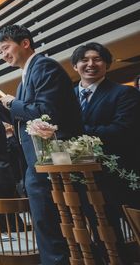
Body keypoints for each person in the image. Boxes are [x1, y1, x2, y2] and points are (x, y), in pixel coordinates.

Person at [0, 24, 82, 264]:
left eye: (5, 48)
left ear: (25, 43)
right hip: (36, 162)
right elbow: (18, 118)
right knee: (45, 224)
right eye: (0, 52)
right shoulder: (23, 80)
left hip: (51, 161)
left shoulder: (44, 67)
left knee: (51, 225)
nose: (3, 55)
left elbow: (46, 112)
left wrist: (12, 103)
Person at [71, 42, 140, 262]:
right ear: (75, 66)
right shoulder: (66, 97)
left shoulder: (124, 93)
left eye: (97, 59)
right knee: (98, 237)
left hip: (118, 176)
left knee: (127, 232)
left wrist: (77, 134)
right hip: (82, 179)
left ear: (107, 65)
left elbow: (122, 130)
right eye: (84, 60)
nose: (90, 64)